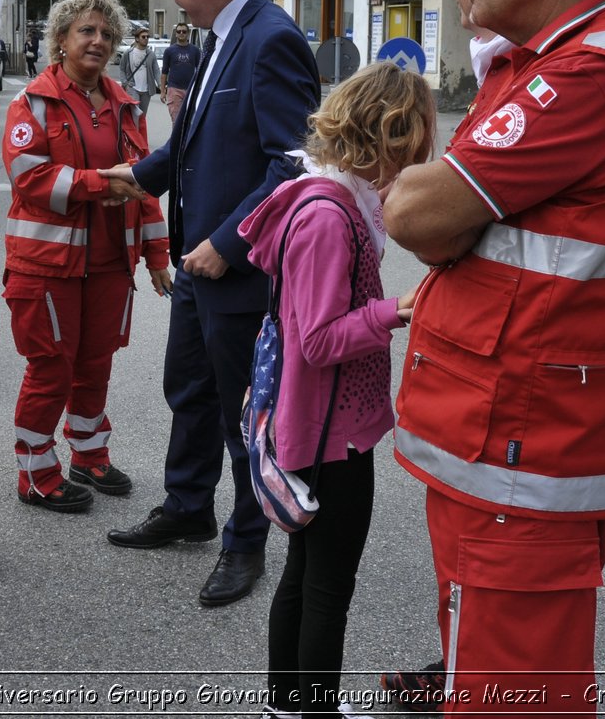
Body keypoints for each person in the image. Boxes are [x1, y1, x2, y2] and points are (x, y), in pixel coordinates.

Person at [379, 0, 605, 715]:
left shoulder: (585, 72)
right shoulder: (538, 64)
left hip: (524, 449)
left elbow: (412, 210)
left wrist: (441, 205)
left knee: (512, 699)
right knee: (481, 669)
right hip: (503, 443)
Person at [101, 0, 320, 609]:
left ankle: (245, 540)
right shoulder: (220, 34)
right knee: (189, 392)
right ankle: (187, 505)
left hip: (238, 270)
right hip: (200, 267)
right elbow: (196, 139)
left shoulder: (270, 39)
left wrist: (229, 243)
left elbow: (292, 163)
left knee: (241, 414)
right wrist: (139, 174)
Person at [237, 62, 432, 719]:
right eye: (409, 150)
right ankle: (312, 711)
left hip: (315, 425)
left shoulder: (329, 199)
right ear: (383, 138)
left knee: (302, 574)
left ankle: (286, 707)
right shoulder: (328, 217)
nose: (412, 167)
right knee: (326, 587)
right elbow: (317, 339)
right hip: (330, 434)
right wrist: (394, 311)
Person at [2, 0, 171, 512]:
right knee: (51, 367)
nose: (98, 41)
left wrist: (157, 254)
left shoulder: (125, 103)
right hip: (46, 266)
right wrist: (104, 185)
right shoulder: (32, 101)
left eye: (107, 34)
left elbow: (140, 187)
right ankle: (35, 472)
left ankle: (89, 454)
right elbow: (30, 178)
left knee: (95, 363)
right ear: (61, 40)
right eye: (86, 32)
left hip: (108, 266)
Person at [159, 22, 201, 122]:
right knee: (176, 120)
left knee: (190, 120)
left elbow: (200, 70)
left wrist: (200, 88)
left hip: (191, 89)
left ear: (188, 33)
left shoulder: (195, 50)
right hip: (174, 89)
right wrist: (162, 92)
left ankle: (186, 138)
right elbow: (164, 72)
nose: (181, 33)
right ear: (176, 34)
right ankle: (176, 138)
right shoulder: (169, 51)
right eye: (179, 31)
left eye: (184, 31)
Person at [119, 25, 160, 118]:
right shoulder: (128, 53)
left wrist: (160, 85)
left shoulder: (151, 54)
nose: (146, 39)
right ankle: (134, 132)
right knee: (135, 115)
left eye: (147, 37)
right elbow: (122, 69)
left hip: (146, 90)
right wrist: (125, 82)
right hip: (133, 88)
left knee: (142, 116)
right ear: (137, 39)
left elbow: (156, 70)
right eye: (143, 37)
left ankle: (140, 133)